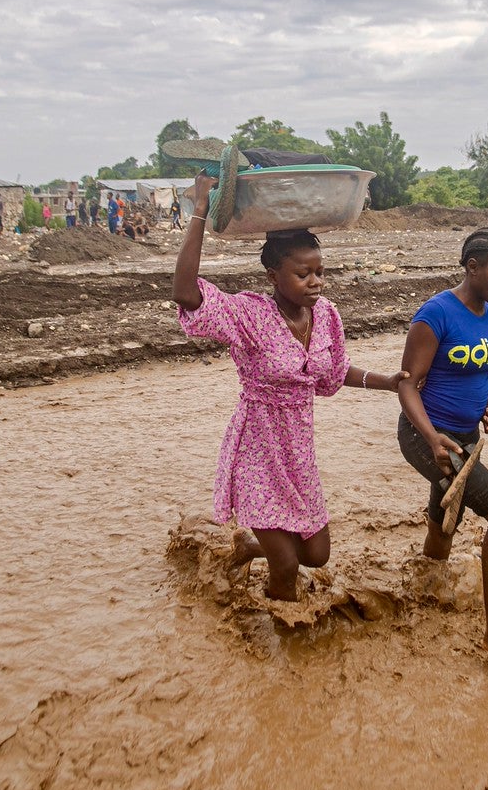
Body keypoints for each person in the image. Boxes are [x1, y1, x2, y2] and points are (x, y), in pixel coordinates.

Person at [172, 172, 405, 602]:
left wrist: (387, 382)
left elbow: (334, 373)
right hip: (257, 446)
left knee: (316, 554)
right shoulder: (249, 314)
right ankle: (280, 638)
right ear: (273, 274)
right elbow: (185, 293)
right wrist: (201, 212)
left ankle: (250, 546)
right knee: (288, 565)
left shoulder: (327, 316)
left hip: (298, 451)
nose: (315, 282)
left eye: (320, 272)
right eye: (303, 274)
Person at [396, 227, 488, 661]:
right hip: (428, 436)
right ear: (472, 268)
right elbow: (407, 386)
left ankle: (426, 589)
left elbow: (483, 369)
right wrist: (430, 436)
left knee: (447, 518)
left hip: (466, 436)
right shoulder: (435, 314)